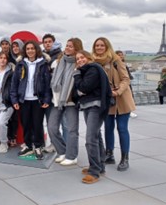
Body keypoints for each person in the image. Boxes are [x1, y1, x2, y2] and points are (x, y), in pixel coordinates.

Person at [92, 37, 136, 171]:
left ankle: (125, 158)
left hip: (121, 99)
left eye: (102, 45)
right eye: (97, 45)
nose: (99, 48)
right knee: (108, 127)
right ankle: (109, 154)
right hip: (107, 100)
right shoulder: (94, 62)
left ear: (107, 46)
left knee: (122, 128)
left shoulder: (116, 60)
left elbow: (125, 79)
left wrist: (118, 91)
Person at [74, 50, 112, 184]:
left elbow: (83, 88)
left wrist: (77, 75)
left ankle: (94, 172)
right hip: (88, 106)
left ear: (88, 58)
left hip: (96, 106)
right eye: (77, 59)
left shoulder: (93, 69)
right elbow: (79, 90)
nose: (79, 60)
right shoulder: (87, 71)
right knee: (96, 136)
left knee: (90, 138)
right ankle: (99, 166)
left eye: (82, 57)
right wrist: (80, 90)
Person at [10, 40, 51, 159]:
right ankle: (28, 145)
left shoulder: (42, 64)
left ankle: (38, 146)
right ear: (25, 51)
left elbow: (47, 83)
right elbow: (14, 83)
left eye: (32, 48)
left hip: (37, 100)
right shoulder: (21, 64)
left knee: (37, 124)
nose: (30, 51)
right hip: (24, 100)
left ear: (36, 50)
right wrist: (15, 100)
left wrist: (47, 99)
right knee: (26, 124)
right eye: (28, 49)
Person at [48, 38, 83, 166]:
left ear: (77, 49)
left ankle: (72, 156)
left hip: (71, 101)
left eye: (71, 46)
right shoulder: (59, 61)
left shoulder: (78, 63)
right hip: (57, 100)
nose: (67, 48)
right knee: (52, 127)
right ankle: (62, 151)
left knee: (72, 129)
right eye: (67, 46)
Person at [7, 39, 24, 147]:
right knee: (11, 116)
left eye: (17, 46)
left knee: (22, 117)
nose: (15, 48)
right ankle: (11, 137)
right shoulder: (9, 59)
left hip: (22, 92)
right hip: (10, 91)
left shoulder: (24, 59)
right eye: (13, 47)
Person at [116, 50, 137, 118]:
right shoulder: (118, 64)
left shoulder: (123, 64)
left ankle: (128, 111)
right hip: (121, 83)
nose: (121, 56)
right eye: (119, 55)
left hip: (126, 82)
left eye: (121, 55)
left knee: (128, 97)